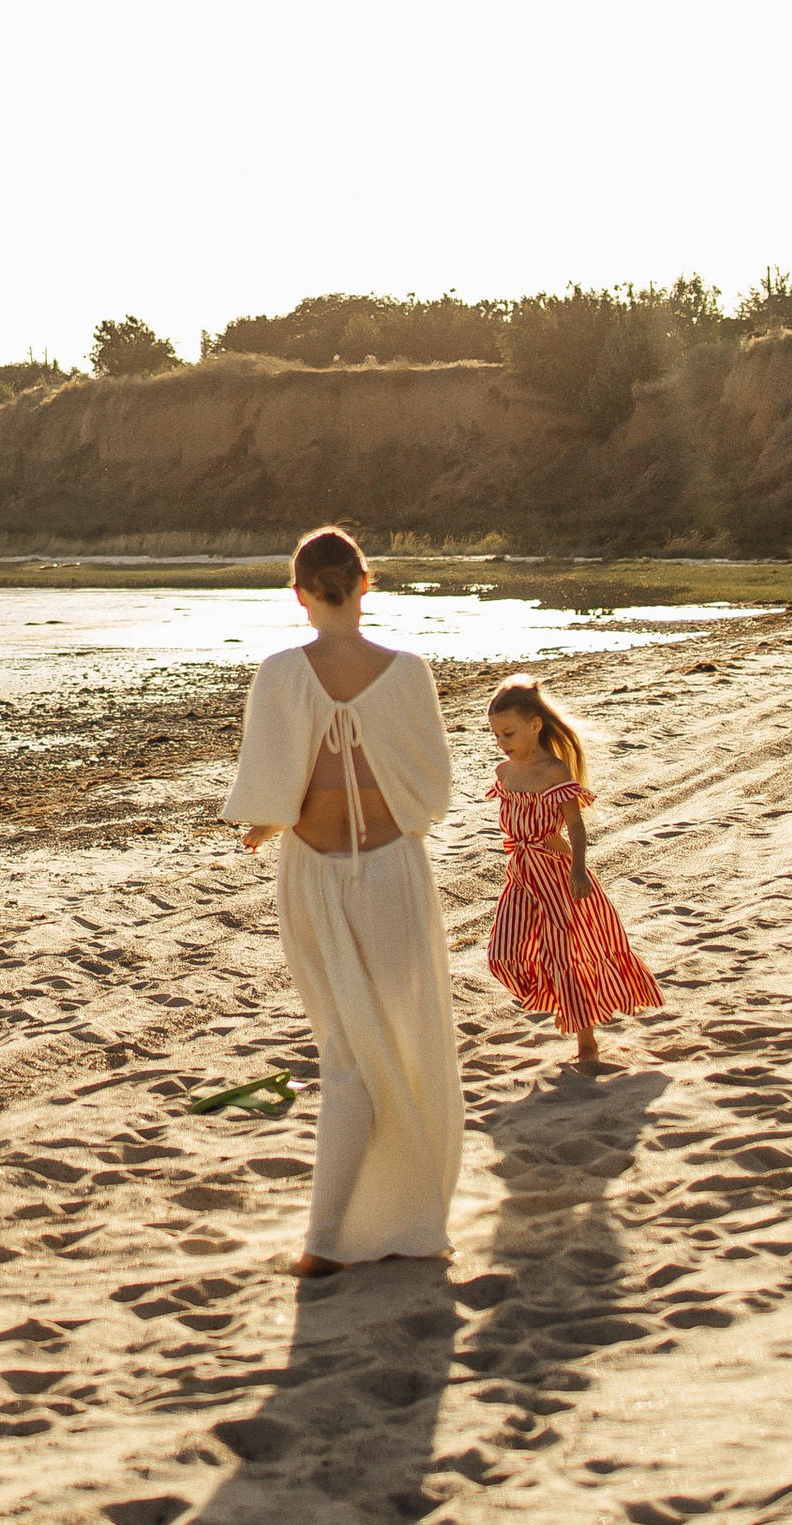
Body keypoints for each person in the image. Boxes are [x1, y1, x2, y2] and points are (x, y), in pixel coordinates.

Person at [222, 526, 460, 1277]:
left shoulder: (280, 673)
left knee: (348, 1051)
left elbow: (275, 784)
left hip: (317, 875)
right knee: (407, 1042)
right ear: (367, 583)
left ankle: (330, 1241)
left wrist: (269, 820)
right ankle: (408, 1222)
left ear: (298, 593)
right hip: (393, 872)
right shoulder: (408, 671)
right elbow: (430, 789)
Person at [484, 674, 664, 1079]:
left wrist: (579, 870)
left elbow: (575, 827)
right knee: (502, 954)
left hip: (558, 874)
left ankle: (586, 1043)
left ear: (535, 725)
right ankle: (553, 996)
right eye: (495, 735)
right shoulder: (503, 771)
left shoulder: (554, 771)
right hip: (521, 875)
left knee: (567, 956)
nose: (502, 742)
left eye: (508, 732)